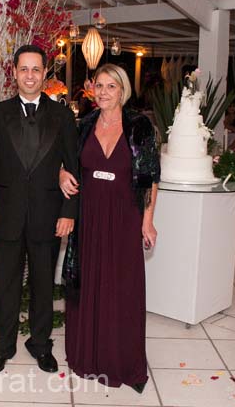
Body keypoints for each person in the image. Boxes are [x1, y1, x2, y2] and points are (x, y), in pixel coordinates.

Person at [0, 45, 79, 375]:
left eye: (36, 69)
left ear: (45, 73)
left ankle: (40, 344)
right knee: (5, 286)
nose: (30, 75)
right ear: (15, 73)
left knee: (43, 286)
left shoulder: (62, 115)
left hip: (48, 216)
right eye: (24, 69)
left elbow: (73, 167)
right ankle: (2, 347)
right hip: (7, 215)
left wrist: (68, 211)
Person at [59, 63, 159, 393]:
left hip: (125, 215)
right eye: (98, 86)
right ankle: (87, 357)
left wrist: (148, 220)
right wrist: (62, 174)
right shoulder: (83, 124)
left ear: (123, 90)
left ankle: (121, 361)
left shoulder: (139, 125)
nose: (103, 92)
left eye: (111, 86)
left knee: (122, 287)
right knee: (89, 283)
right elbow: (68, 163)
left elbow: (150, 178)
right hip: (89, 216)